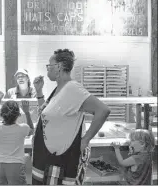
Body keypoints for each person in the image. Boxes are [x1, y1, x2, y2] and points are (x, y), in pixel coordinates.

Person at [31, 48, 111, 185]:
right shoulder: (58, 89)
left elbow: (103, 110)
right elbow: (46, 114)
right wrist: (39, 92)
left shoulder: (73, 89)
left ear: (59, 67)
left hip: (62, 160)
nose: (47, 69)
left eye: (49, 66)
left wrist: (85, 140)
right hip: (48, 158)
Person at [0, 100, 34, 185]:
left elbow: (1, 124)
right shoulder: (23, 128)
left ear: (2, 114)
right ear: (18, 115)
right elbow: (32, 130)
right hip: (16, 165)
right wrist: (27, 112)